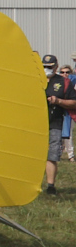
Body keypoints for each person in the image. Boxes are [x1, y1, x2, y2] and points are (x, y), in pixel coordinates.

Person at [43, 54, 76, 195]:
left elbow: (74, 102)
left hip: (55, 122)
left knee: (52, 155)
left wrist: (58, 101)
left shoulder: (64, 82)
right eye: (44, 66)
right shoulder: (34, 80)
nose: (47, 69)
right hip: (35, 123)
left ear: (56, 67)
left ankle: (50, 186)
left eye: (50, 67)